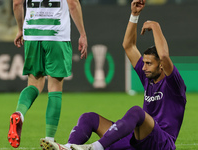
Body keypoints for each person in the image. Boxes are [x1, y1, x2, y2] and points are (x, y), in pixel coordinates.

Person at [40, 0, 186, 150]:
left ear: (161, 66)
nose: (143, 67)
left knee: (136, 111)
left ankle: (95, 148)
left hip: (162, 143)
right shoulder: (147, 78)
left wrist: (155, 27)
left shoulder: (174, 84)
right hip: (139, 141)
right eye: (144, 62)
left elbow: (164, 56)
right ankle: (68, 147)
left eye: (149, 63)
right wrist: (134, 15)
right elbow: (128, 46)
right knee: (89, 117)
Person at [8, 0, 87, 148]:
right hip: (56, 34)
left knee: (34, 83)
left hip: (32, 34)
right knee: (55, 87)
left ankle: (19, 114)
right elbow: (73, 3)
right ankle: (49, 139)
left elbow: (17, 3)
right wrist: (82, 34)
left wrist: (20, 29)